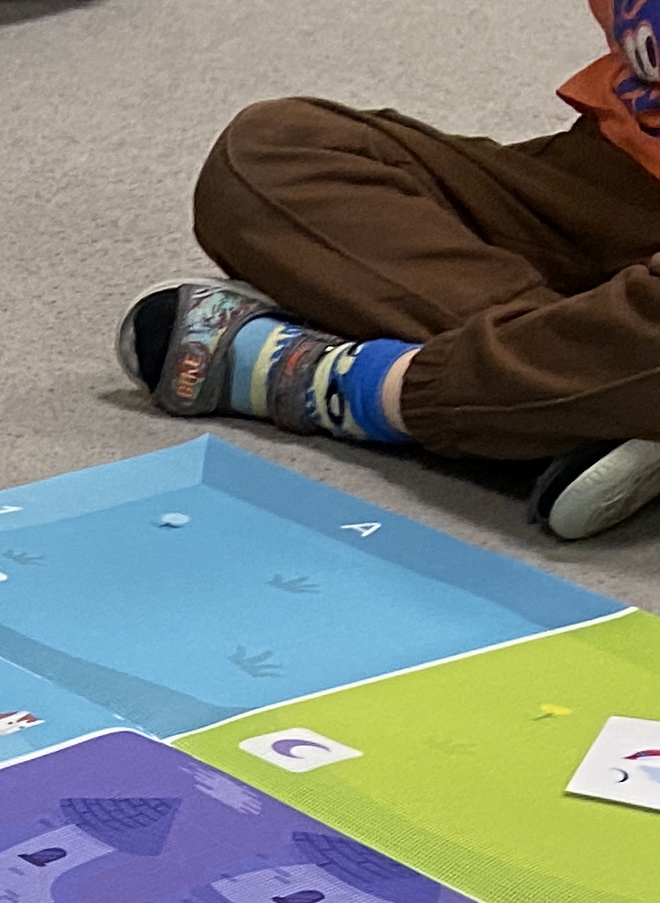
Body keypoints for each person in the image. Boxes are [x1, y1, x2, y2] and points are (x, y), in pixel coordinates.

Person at [122, 10, 660, 543]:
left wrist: (390, 389)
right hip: (617, 169)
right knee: (268, 152)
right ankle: (579, 395)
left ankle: (350, 384)